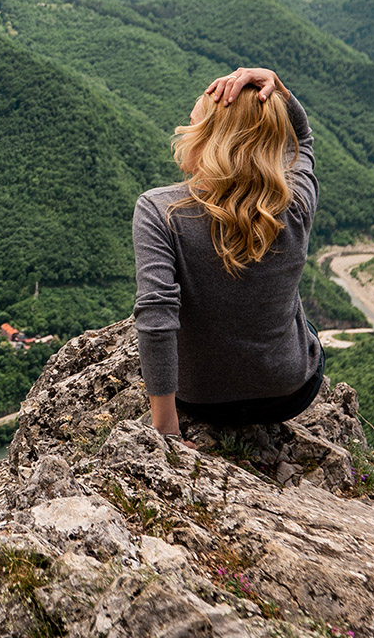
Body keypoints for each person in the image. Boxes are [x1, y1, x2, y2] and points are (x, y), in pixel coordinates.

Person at [132, 66, 324, 443]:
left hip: (201, 401)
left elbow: (156, 317)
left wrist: (166, 427)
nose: (183, 132)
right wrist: (278, 90)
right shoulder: (295, 204)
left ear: (212, 139)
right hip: (288, 393)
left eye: (192, 124)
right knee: (303, 324)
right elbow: (303, 139)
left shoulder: (159, 211)